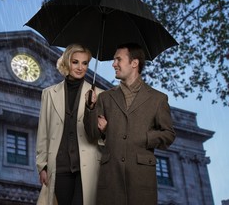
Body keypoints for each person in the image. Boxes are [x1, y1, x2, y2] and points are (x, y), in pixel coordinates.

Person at [84, 43, 176, 205]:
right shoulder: (105, 97)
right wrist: (90, 108)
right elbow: (92, 133)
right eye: (114, 60)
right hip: (111, 178)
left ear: (134, 63)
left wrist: (142, 137)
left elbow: (168, 135)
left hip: (141, 180)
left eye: (118, 59)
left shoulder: (158, 99)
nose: (114, 64)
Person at [36, 44, 104, 205]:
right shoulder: (48, 94)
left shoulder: (100, 95)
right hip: (59, 166)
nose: (80, 67)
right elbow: (43, 131)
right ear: (67, 62)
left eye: (85, 63)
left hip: (88, 167)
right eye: (75, 62)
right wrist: (42, 166)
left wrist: (92, 108)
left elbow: (102, 138)